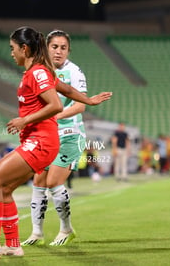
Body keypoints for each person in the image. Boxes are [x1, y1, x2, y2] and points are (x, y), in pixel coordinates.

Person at [0, 26, 63, 259]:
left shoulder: (36, 72)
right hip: (38, 140)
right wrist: (86, 99)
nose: (11, 53)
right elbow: (61, 90)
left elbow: (55, 105)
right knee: (4, 189)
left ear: (24, 48)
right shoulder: (34, 73)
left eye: (13, 48)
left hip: (42, 140)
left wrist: (24, 120)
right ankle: (13, 245)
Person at [21, 29, 107, 247]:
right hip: (47, 136)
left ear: (69, 51)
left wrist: (54, 114)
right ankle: (37, 233)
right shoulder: (40, 71)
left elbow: (80, 105)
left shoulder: (74, 72)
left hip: (70, 135)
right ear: (47, 48)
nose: (58, 52)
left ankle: (66, 229)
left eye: (63, 48)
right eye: (54, 47)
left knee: (53, 182)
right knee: (38, 182)